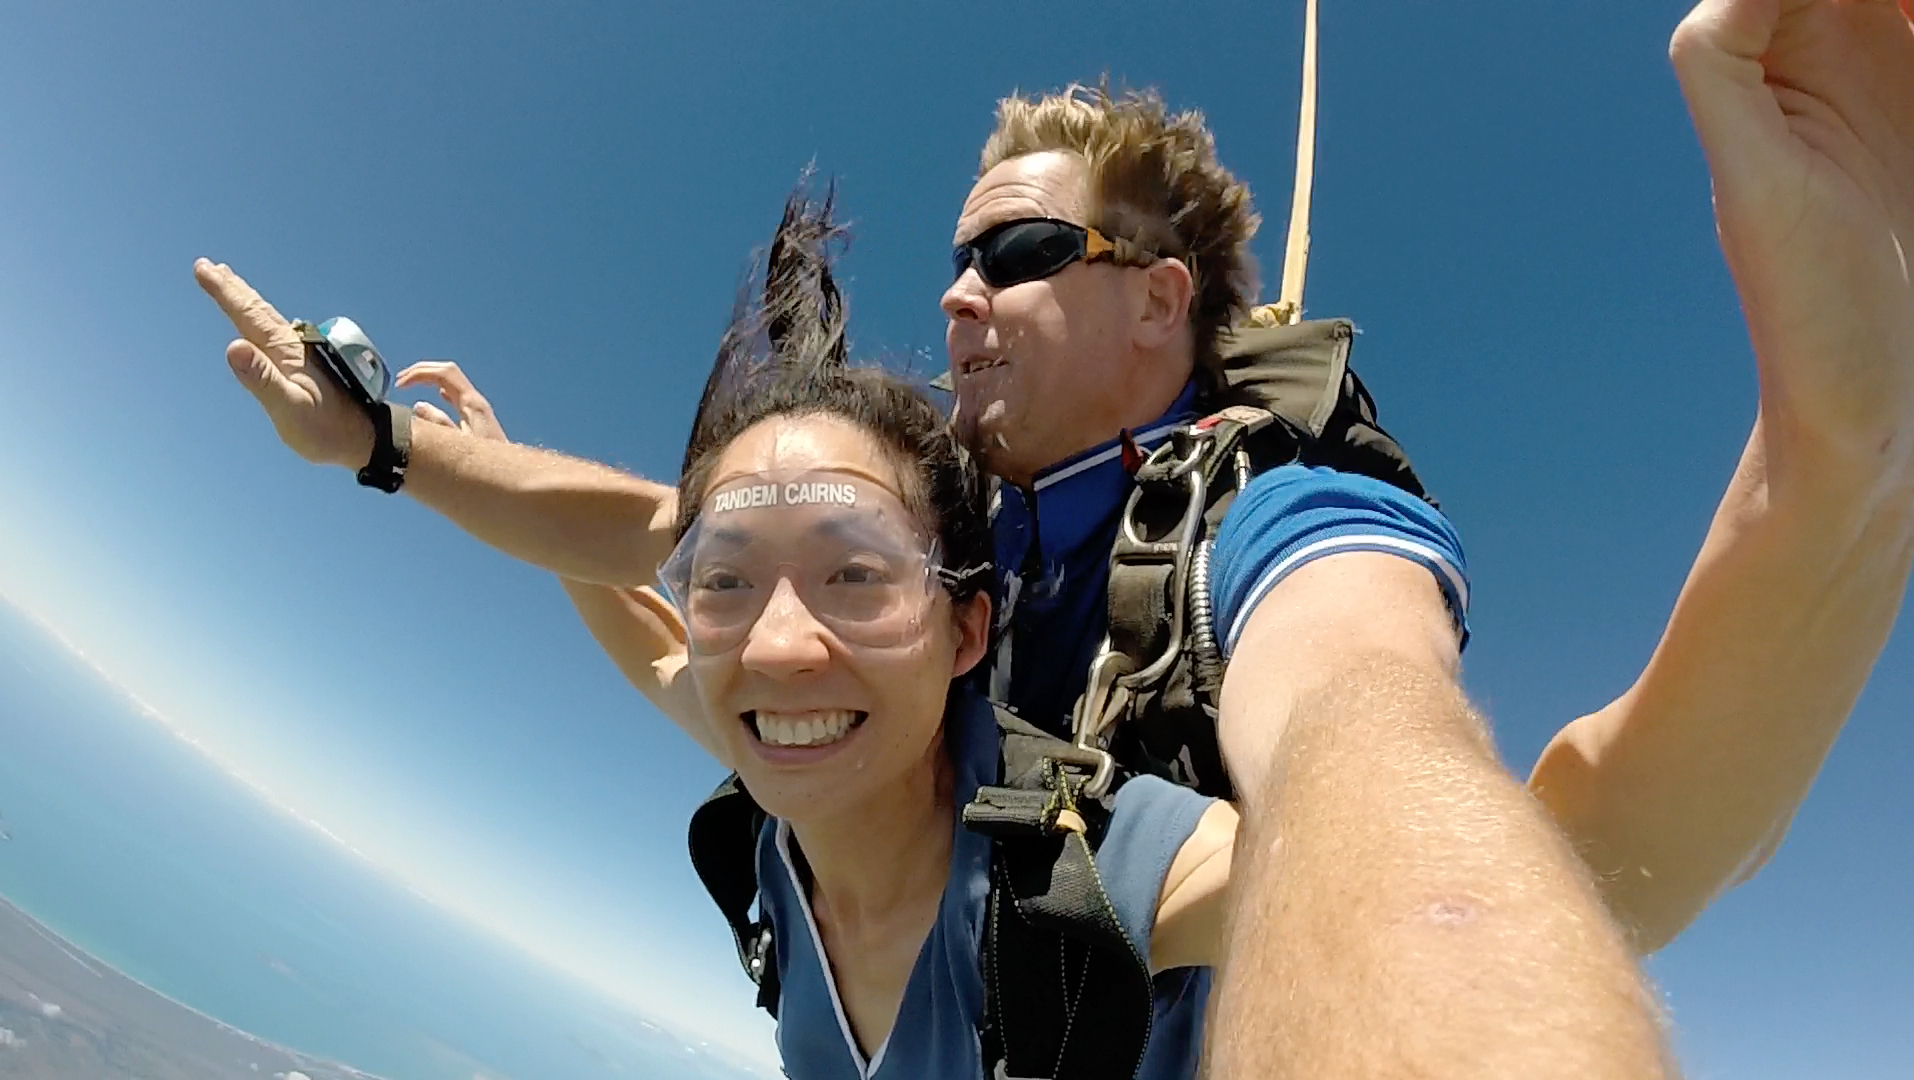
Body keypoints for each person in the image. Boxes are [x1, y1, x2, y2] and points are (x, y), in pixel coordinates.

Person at [195, 0, 1914, 1071]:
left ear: (1161, 304)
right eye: (956, 260)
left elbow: (1380, 740)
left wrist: (1839, 464)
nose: (958, 296)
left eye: (1017, 257)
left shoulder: (1260, 520)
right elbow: (662, 551)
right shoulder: (915, 558)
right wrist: (391, 446)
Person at [404, 191, 1675, 1078]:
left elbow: (1403, 869)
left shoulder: (1068, 866)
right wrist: (495, 472)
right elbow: (654, 639)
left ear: (967, 631)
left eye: (854, 579)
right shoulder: (790, 790)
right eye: (726, 583)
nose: (780, 650)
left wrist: (1804, 487)